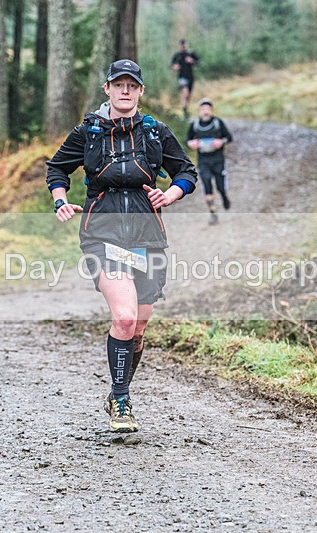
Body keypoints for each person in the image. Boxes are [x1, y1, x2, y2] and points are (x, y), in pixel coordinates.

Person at [46, 59, 197, 432]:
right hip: (103, 234)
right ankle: (122, 400)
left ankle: (118, 392)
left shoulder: (155, 132)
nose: (125, 91)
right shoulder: (89, 132)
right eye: (118, 84)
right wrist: (60, 199)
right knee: (125, 318)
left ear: (141, 91)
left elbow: (186, 171)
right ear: (107, 89)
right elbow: (57, 168)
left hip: (147, 236)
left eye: (132, 85)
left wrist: (171, 194)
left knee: (139, 327)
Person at [186, 98, 233, 225]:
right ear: (199, 111)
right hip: (203, 161)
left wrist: (221, 142)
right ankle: (213, 212)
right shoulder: (195, 125)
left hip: (218, 160)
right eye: (203, 109)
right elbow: (188, 140)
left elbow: (229, 137)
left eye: (208, 109)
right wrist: (192, 144)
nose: (205, 111)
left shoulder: (218, 123)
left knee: (220, 186)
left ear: (212, 110)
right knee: (207, 185)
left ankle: (224, 196)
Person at [170, 39, 199, 119]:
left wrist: (192, 61)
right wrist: (174, 67)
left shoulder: (191, 53)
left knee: (188, 94)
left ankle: (186, 109)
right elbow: (171, 64)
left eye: (185, 45)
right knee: (185, 92)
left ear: (187, 45)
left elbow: (198, 62)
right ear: (180, 46)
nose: (183, 47)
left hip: (190, 77)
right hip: (181, 77)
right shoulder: (177, 55)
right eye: (182, 46)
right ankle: (184, 109)